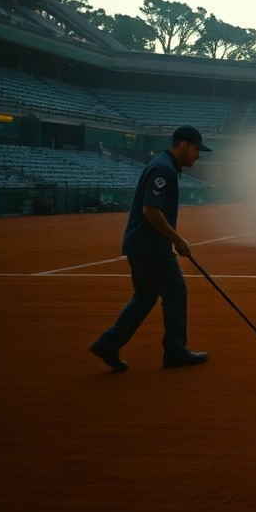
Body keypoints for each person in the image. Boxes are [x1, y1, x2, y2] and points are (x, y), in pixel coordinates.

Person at [89, 125, 212, 371]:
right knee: (176, 291)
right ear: (184, 145)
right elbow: (150, 210)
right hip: (151, 247)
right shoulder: (164, 169)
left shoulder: (164, 165)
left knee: (145, 297)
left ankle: (109, 343)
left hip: (141, 246)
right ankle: (175, 350)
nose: (199, 155)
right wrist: (177, 239)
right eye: (197, 149)